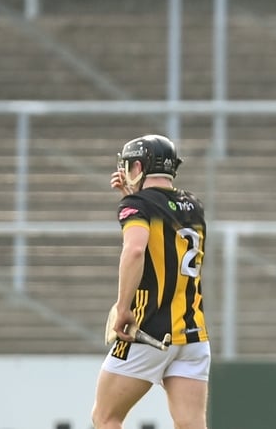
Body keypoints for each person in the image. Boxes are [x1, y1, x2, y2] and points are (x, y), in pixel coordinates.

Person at [92, 134, 211, 429]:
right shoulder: (193, 205)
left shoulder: (138, 205)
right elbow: (164, 230)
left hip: (149, 330)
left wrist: (122, 308)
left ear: (139, 166)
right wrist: (132, 199)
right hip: (193, 334)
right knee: (191, 424)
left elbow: (135, 250)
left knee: (105, 417)